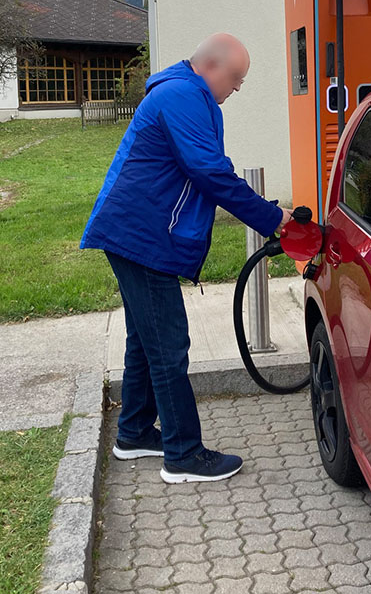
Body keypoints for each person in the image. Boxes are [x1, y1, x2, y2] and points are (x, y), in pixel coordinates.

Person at [80, 33, 292, 484]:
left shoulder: (182, 92)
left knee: (145, 340)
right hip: (141, 238)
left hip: (136, 232)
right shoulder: (183, 96)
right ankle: (182, 455)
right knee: (169, 346)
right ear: (210, 66)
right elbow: (210, 172)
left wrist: (270, 212)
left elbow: (205, 169)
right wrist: (272, 218)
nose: (235, 89)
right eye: (234, 78)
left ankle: (134, 433)